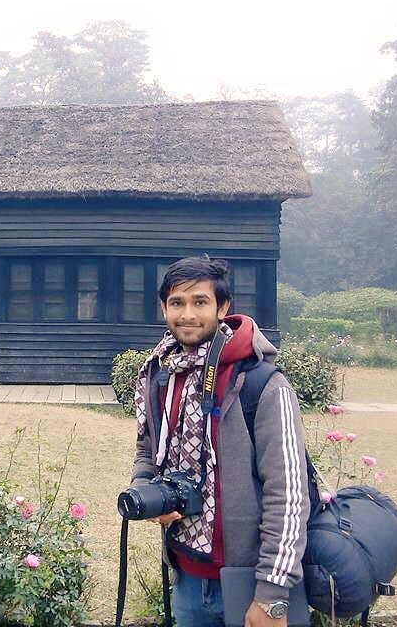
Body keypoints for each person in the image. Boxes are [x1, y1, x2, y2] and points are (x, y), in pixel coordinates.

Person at [130, 256, 310, 627]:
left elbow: (289, 493)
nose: (187, 314)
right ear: (164, 308)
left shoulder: (261, 383)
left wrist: (273, 595)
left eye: (200, 302)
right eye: (177, 303)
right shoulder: (159, 375)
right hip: (187, 577)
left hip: (251, 582)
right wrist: (147, 493)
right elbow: (147, 450)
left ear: (222, 307)